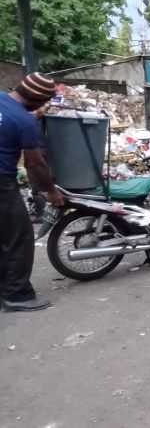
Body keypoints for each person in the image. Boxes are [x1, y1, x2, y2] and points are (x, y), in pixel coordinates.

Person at [0, 73, 64, 311]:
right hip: (1, 184)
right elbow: (34, 164)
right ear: (37, 100)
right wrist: (50, 191)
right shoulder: (24, 122)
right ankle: (17, 296)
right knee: (19, 237)